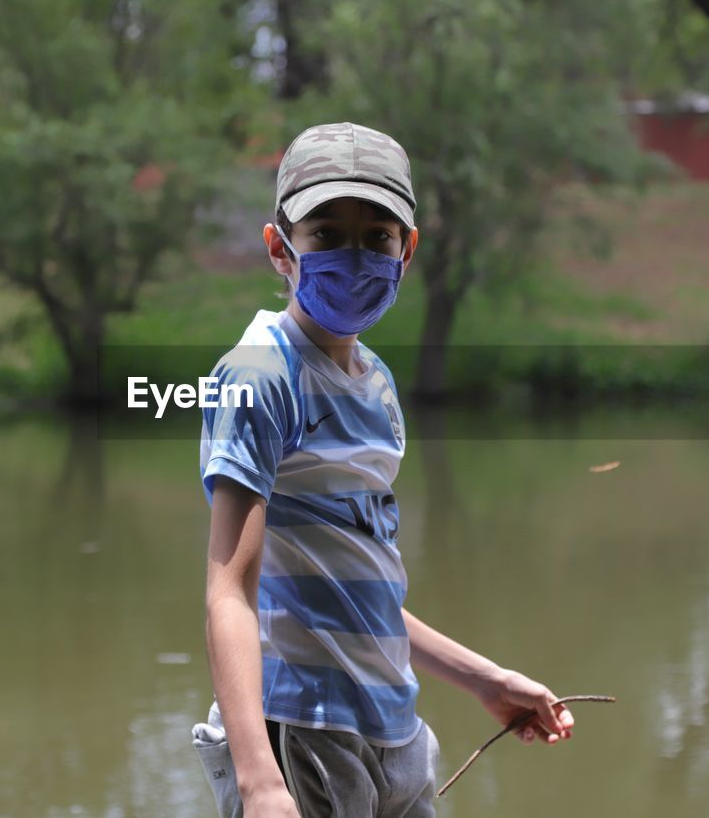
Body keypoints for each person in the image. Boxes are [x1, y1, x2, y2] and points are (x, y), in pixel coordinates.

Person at [192, 122, 575, 818]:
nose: (355, 254)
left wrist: (485, 680)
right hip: (304, 732)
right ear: (280, 249)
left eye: (378, 236)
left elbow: (355, 592)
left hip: (393, 727)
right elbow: (230, 593)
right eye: (327, 234)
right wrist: (259, 782)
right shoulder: (259, 375)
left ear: (408, 250)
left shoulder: (375, 384)